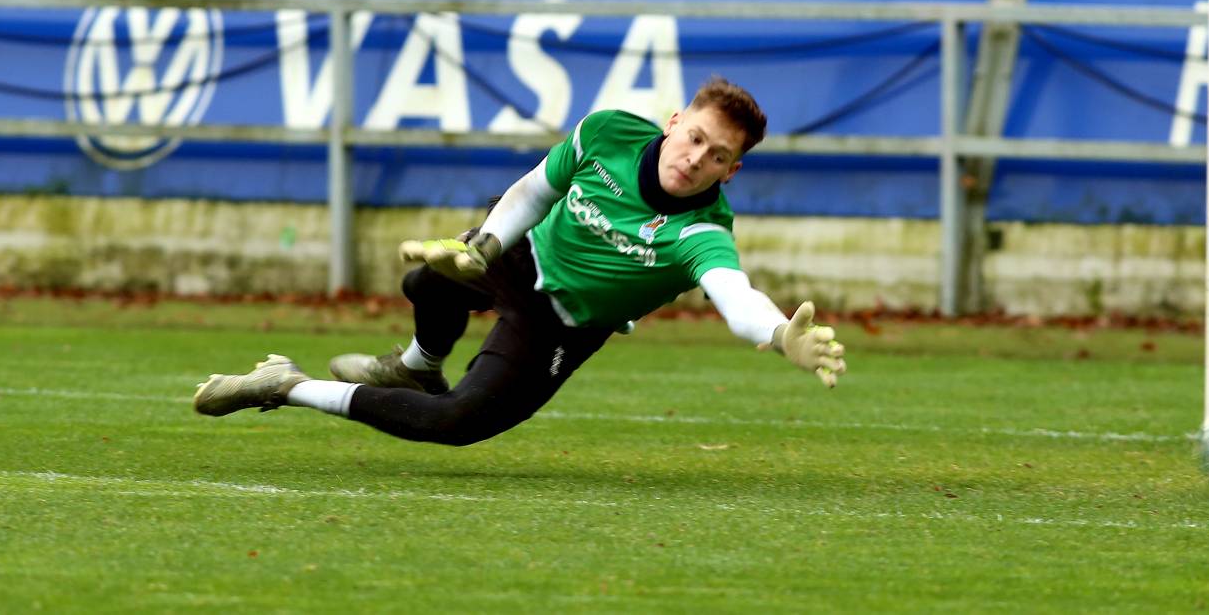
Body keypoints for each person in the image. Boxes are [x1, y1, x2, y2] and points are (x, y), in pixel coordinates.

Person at [193, 77, 846, 445]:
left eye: (717, 156)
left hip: (562, 321)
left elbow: (734, 295)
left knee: (457, 423)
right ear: (674, 122)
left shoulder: (702, 230)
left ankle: (285, 384)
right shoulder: (608, 132)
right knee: (429, 281)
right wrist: (485, 245)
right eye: (695, 137)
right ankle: (416, 366)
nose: (696, 158)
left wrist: (777, 333)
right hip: (525, 248)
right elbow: (535, 192)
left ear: (732, 170)